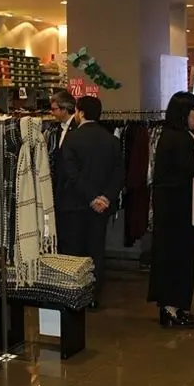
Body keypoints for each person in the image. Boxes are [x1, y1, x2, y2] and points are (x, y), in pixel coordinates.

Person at [148, 92, 194, 328]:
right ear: (184, 112)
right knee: (176, 257)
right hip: (176, 208)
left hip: (173, 206)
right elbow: (190, 169)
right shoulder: (179, 138)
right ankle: (171, 308)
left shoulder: (175, 135)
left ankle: (175, 306)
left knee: (176, 256)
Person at [58, 96, 125, 308]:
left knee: (74, 252)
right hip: (101, 207)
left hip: (75, 204)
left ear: (80, 112)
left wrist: (91, 197)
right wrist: (105, 197)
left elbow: (71, 173)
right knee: (96, 250)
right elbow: (119, 173)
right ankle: (94, 296)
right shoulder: (111, 140)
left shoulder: (71, 139)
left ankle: (74, 295)